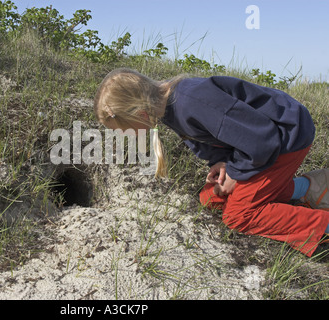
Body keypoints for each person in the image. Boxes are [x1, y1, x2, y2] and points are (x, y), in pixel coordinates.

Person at [93, 68, 329, 256]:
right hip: (253, 148)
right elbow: (211, 140)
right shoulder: (169, 110)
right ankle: (307, 188)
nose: (128, 136)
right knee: (211, 198)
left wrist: (236, 173)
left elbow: (262, 139)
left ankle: (323, 225)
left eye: (125, 130)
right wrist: (221, 163)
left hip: (286, 138)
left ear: (141, 114)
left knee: (238, 215)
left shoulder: (192, 102)